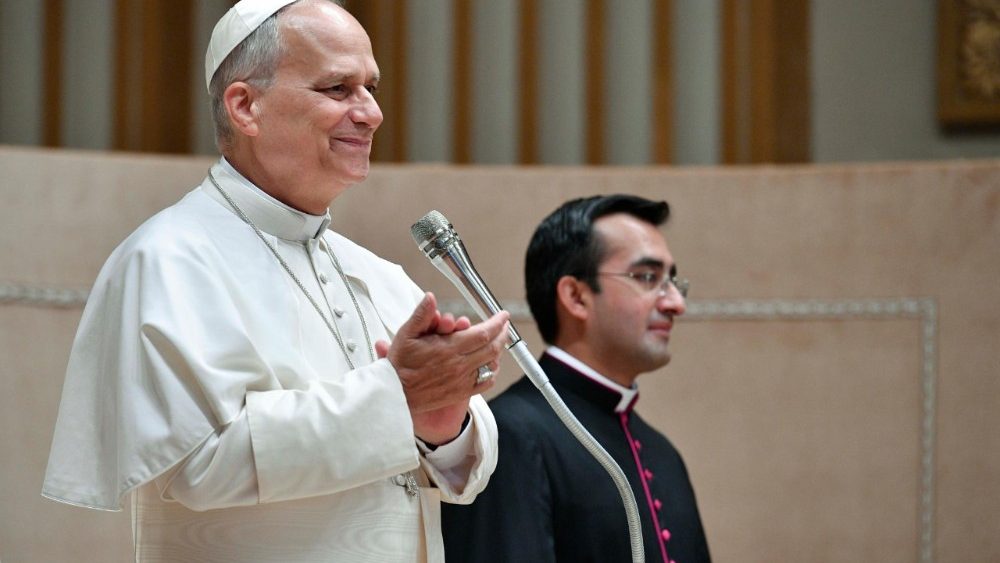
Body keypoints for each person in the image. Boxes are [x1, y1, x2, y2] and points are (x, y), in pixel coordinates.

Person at [42, 1, 508, 561]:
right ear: (245, 106)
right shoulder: (167, 259)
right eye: (338, 88)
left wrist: (443, 425)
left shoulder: (378, 273)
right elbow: (199, 464)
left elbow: (463, 474)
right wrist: (396, 398)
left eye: (371, 88)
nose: (371, 113)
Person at [442, 194, 711, 562]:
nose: (675, 303)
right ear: (576, 296)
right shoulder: (509, 436)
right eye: (648, 278)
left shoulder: (663, 453)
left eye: (674, 282)